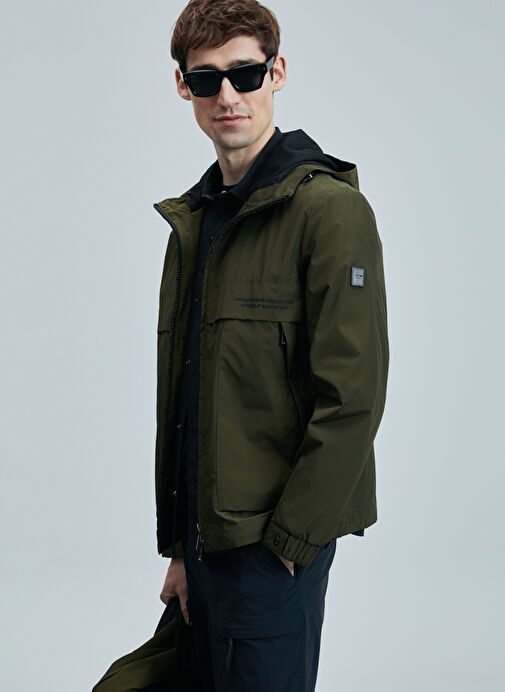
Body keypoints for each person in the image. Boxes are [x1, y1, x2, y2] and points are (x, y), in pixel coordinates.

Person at [152, 1, 389, 690]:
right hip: (203, 548)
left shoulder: (329, 210)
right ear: (183, 87)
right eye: (206, 79)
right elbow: (190, 396)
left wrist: (290, 544)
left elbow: (353, 395)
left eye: (245, 74)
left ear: (276, 73)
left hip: (270, 551)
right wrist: (180, 549)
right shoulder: (195, 221)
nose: (227, 96)